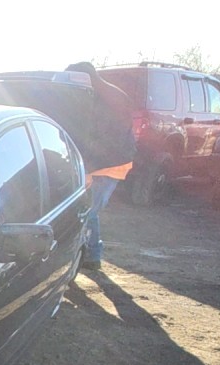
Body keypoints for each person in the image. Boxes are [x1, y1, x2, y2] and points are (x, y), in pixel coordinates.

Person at [65, 61, 135, 271]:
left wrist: (86, 166)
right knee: (89, 210)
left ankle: (92, 256)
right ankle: (91, 254)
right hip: (109, 163)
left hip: (107, 165)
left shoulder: (102, 100)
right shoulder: (109, 94)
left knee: (88, 211)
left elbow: (103, 139)